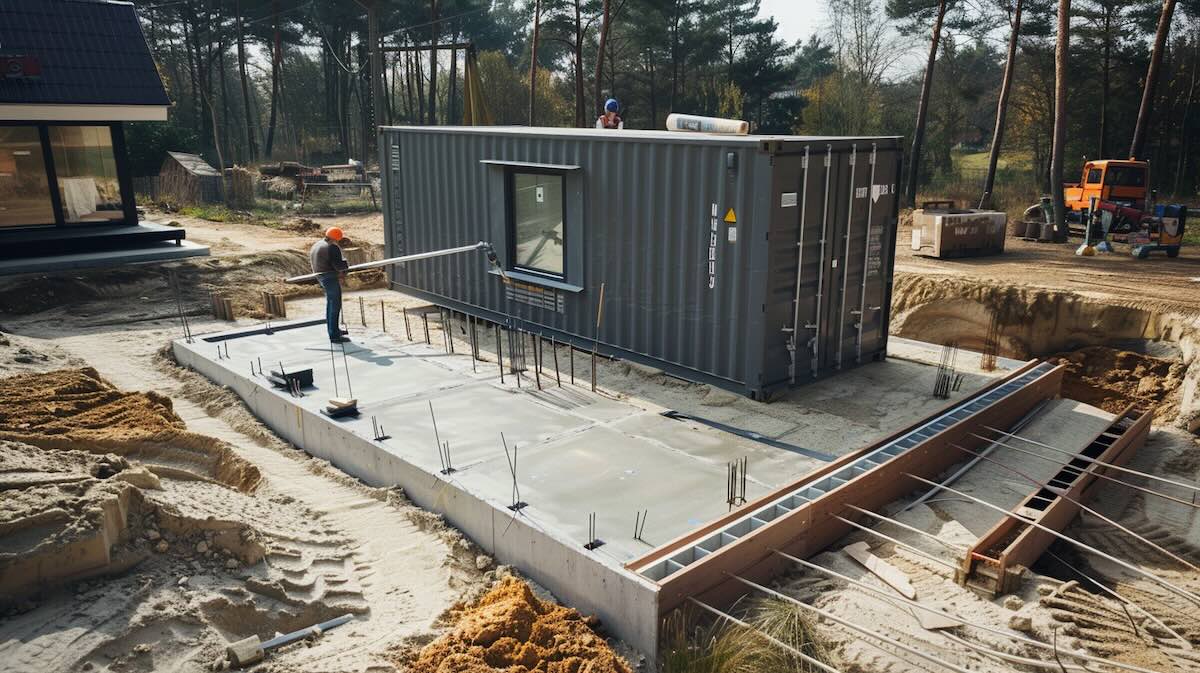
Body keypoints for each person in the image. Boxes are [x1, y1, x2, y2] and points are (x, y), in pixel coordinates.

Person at [310, 227, 350, 343]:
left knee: (330, 305)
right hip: (329, 277)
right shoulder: (332, 247)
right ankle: (334, 335)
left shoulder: (318, 244)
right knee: (335, 306)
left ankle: (334, 330)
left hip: (321, 277)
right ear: (337, 238)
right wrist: (346, 264)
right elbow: (339, 267)